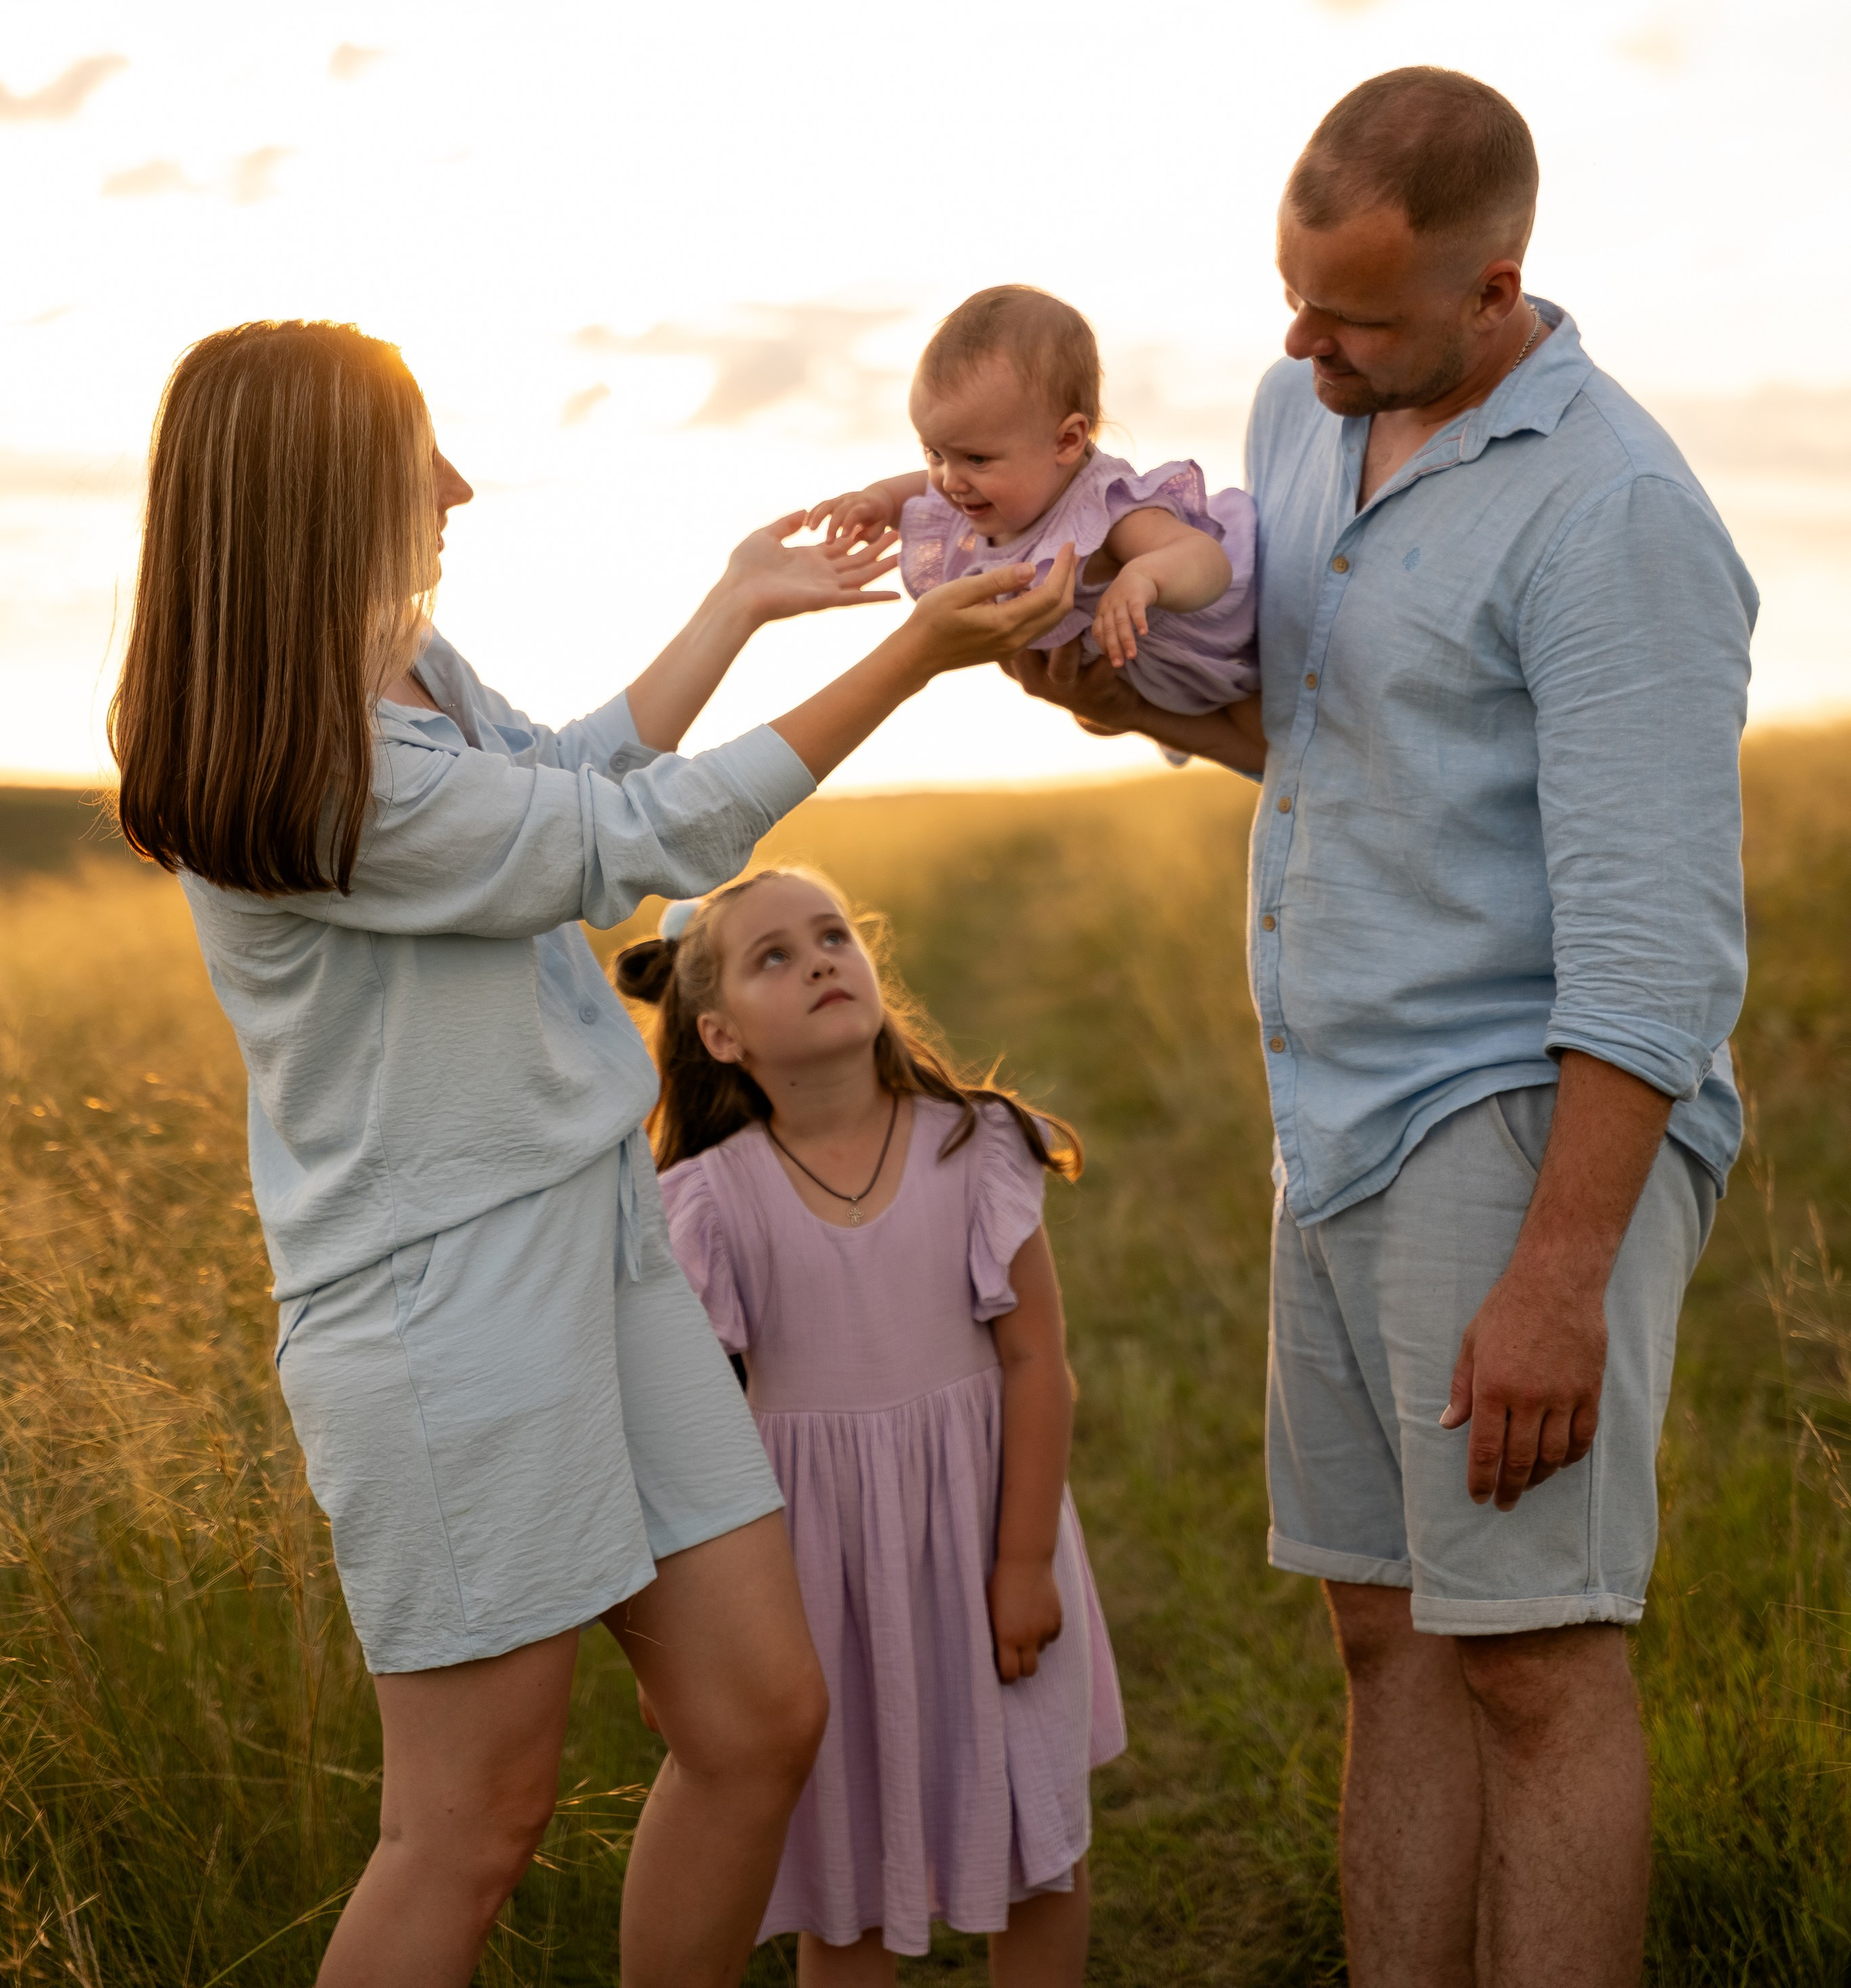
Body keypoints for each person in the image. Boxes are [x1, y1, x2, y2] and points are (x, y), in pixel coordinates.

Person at [108, 317, 1077, 1988]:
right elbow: (624, 843)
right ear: (316, 490)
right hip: (446, 1313)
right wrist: (908, 658)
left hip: (600, 1246)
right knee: (468, 1829)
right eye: (420, 456)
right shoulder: (319, 766)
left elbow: (558, 776)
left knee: (760, 1713)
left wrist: (733, 602)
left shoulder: (403, 663)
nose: (459, 486)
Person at [1006, 67, 1757, 1988]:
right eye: (1291, 292)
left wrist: (1561, 1270)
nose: (1298, 341)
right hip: (1331, 1112)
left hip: (1512, 1117)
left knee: (1535, 1663)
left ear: (1495, 284)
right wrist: (1125, 704)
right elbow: (1321, 740)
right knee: (1386, 1639)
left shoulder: (1617, 516)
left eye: (1351, 314)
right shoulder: (1305, 416)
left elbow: (1656, 949)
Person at [623, 866, 1125, 1986]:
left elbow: (1039, 1361)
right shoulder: (711, 1201)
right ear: (718, 1035)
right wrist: (685, 1644)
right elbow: (678, 1431)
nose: (818, 962)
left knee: (1038, 1850)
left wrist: (1026, 1560)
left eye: (833, 936)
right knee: (844, 1879)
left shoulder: (972, 1147)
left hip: (988, 1532)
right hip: (817, 1581)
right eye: (773, 957)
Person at [807, 282, 1257, 716]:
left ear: (1066, 442)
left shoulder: (1101, 509)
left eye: (977, 458)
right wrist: (879, 501)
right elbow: (922, 488)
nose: (949, 481)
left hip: (1231, 646)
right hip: (1139, 679)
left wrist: (1145, 577)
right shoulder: (986, 490)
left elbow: (1204, 559)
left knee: (1267, 726)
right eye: (935, 453)